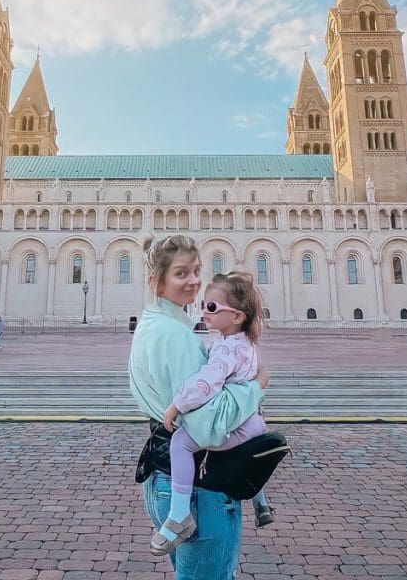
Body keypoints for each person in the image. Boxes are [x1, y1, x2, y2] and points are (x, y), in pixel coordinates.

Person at [129, 234, 269, 579]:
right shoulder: (174, 335)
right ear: (156, 281)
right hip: (198, 491)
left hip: (166, 477)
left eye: (196, 270)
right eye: (181, 273)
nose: (193, 281)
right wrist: (255, 387)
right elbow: (208, 426)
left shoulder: (155, 324)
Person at [156, 270, 275, 555]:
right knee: (246, 455)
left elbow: (206, 383)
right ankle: (261, 504)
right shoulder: (248, 345)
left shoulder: (225, 350)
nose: (203, 311)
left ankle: (179, 515)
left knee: (181, 443)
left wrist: (177, 405)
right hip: (254, 423)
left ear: (236, 316)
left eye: (211, 307)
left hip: (236, 424)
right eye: (203, 305)